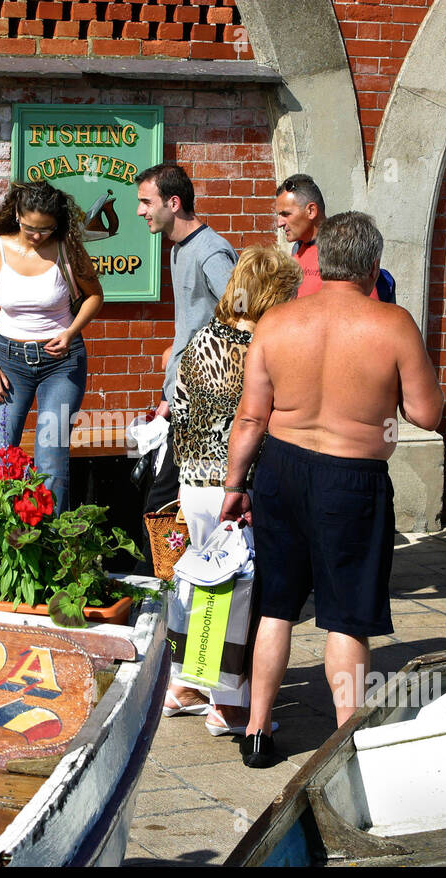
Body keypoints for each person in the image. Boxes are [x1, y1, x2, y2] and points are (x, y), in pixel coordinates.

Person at [219, 212, 444, 767]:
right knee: (346, 615)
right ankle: (348, 740)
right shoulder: (393, 324)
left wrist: (233, 486)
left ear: (320, 262)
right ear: (373, 266)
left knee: (275, 606)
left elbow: (250, 419)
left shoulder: (275, 322)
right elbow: (428, 413)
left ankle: (256, 731)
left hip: (281, 468)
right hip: (353, 479)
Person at [168, 246, 302, 735]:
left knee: (205, 589)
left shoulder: (201, 337)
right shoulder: (262, 349)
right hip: (236, 487)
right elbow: (257, 421)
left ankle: (185, 687)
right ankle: (227, 707)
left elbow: (180, 408)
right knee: (240, 597)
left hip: (194, 482)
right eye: (287, 294)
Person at [0, 181, 104, 514]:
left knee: (51, 460)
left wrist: (72, 331)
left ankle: (51, 547)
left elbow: (95, 296)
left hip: (61, 364)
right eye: (30, 227)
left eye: (46, 229)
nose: (37, 236)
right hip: (8, 362)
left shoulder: (66, 249)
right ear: (17, 214)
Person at [134, 163, 238, 574]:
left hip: (207, 403)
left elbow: (243, 319)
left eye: (147, 202)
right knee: (167, 495)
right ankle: (170, 579)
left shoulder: (211, 251)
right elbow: (192, 325)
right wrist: (167, 393)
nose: (141, 211)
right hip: (182, 398)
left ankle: (158, 584)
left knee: (166, 498)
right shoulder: (179, 249)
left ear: (173, 203)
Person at [274, 174, 381, 301]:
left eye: (286, 214)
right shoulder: (297, 249)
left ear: (311, 211)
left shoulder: (343, 249)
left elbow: (367, 305)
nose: (279, 223)